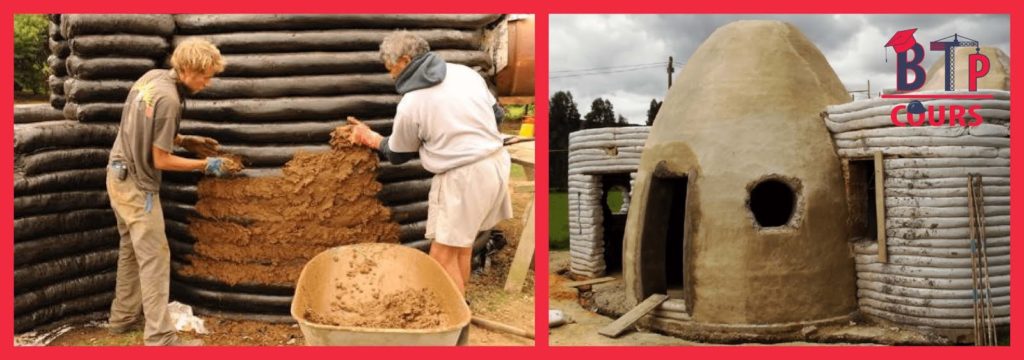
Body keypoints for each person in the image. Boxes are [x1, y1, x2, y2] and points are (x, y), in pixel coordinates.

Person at [348, 31, 512, 296]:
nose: (391, 75)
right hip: (495, 165)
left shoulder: (412, 102)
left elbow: (398, 154)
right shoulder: (465, 73)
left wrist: (370, 138)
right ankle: (461, 310)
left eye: (390, 68)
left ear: (404, 60)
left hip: (463, 178)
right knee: (461, 246)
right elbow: (497, 114)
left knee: (441, 256)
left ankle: (452, 324)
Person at [105, 37, 241, 346]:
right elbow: (159, 159)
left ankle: (122, 318)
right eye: (205, 75)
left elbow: (146, 125)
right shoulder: (170, 100)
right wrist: (206, 164)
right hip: (138, 186)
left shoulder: (152, 79)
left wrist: (185, 140)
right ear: (188, 69)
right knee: (155, 256)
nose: (208, 82)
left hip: (117, 173)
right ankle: (161, 338)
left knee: (131, 250)